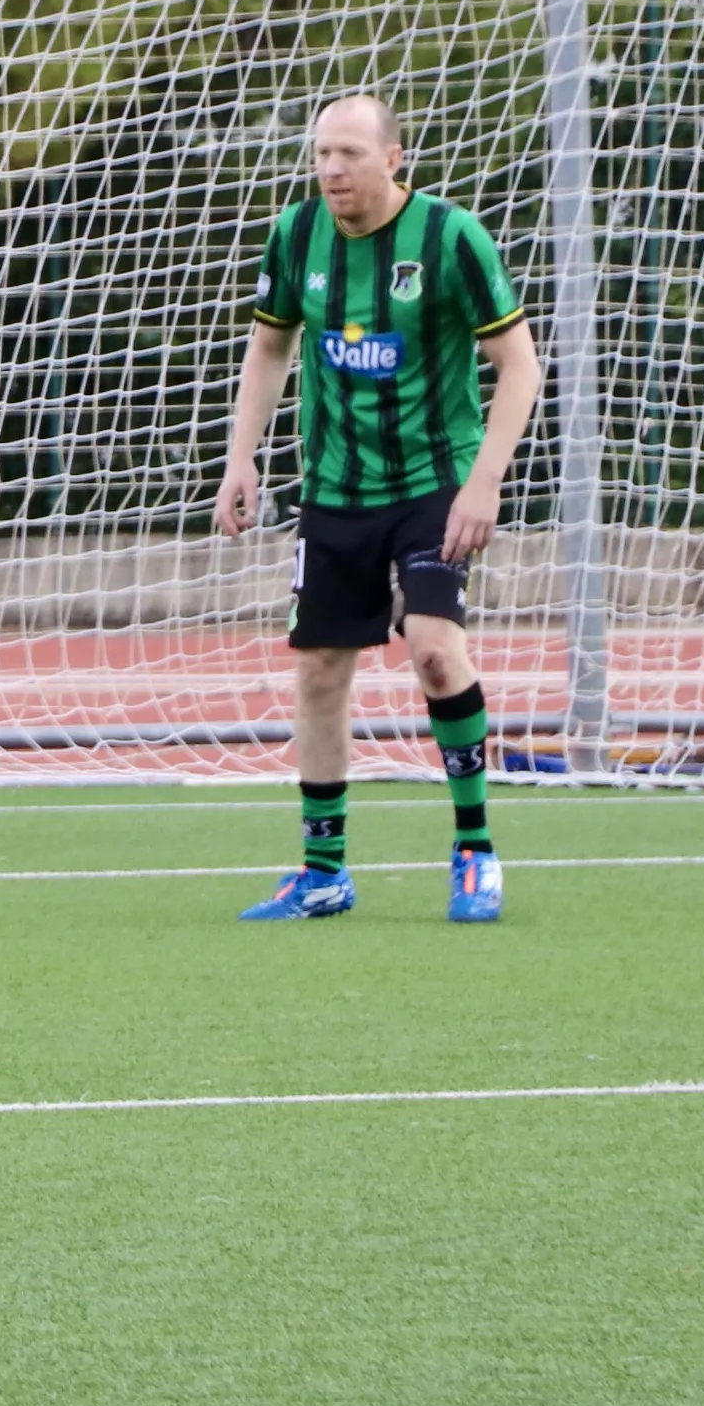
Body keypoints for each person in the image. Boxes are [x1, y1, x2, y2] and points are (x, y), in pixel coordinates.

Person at [216, 93, 541, 925]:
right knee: (321, 669)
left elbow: (519, 365)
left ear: (395, 159)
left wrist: (485, 481)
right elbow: (269, 345)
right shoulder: (294, 235)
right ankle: (323, 870)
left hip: (434, 483)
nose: (332, 169)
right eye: (324, 152)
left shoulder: (449, 238)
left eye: (351, 153)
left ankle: (475, 850)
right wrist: (241, 457)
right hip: (334, 487)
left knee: (433, 651)